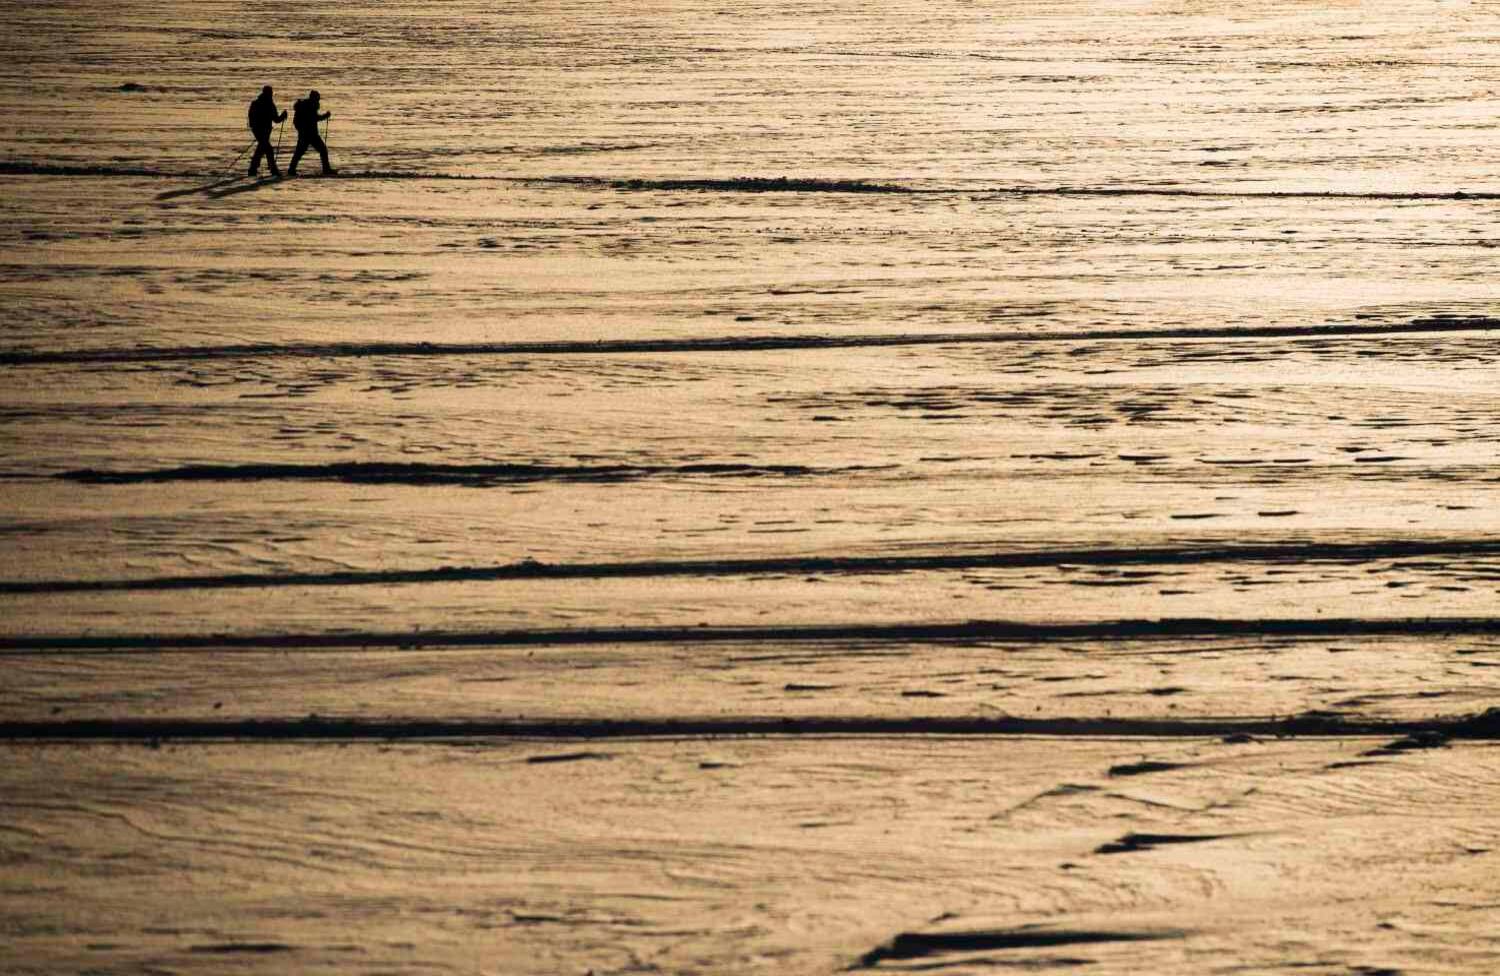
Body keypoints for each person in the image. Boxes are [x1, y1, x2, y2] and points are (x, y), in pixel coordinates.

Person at [287, 90, 336, 177]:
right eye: (317, 99)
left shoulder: (306, 105)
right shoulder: (309, 106)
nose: (318, 101)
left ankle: (291, 169)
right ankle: (326, 169)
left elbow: (313, 118)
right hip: (309, 134)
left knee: (301, 151)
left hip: (307, 134)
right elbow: (314, 118)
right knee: (320, 150)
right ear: (314, 98)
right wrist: (325, 116)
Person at [246, 85, 286, 177]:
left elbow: (251, 118)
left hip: (258, 130)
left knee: (261, 149)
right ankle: (272, 169)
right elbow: (276, 119)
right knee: (268, 149)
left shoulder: (256, 103)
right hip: (262, 131)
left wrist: (255, 128)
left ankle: (253, 169)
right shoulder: (269, 104)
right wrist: (283, 116)